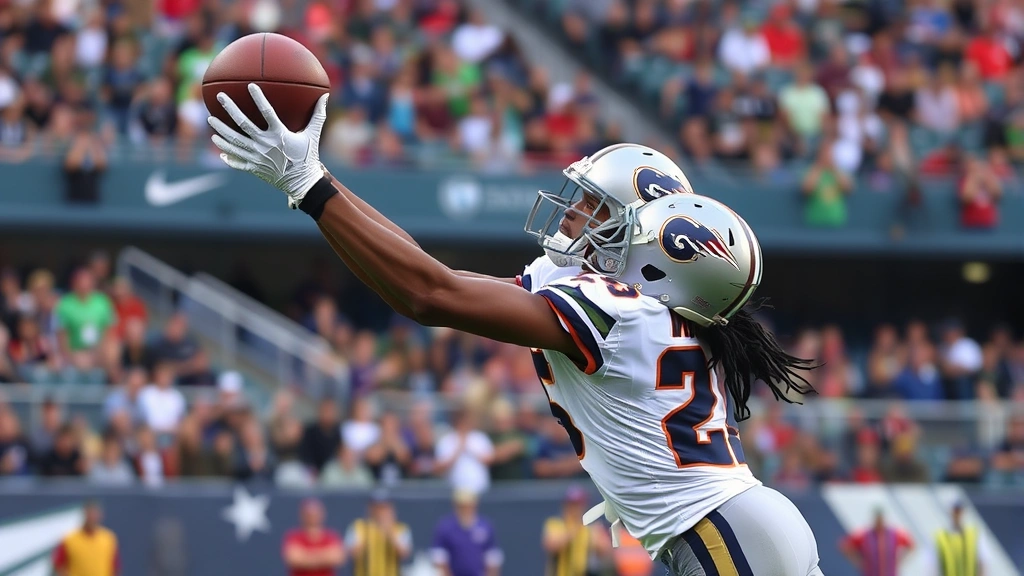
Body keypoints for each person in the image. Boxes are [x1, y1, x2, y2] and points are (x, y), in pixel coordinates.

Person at [208, 85, 821, 575]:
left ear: (655, 251)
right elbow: (433, 275)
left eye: (596, 211)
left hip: (722, 535)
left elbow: (430, 295)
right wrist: (318, 180)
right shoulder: (648, 315)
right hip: (734, 530)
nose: (576, 217)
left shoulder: (623, 315)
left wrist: (310, 188)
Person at [431, 489, 503, 576]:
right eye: (462, 505)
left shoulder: (485, 526)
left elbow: (492, 559)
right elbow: (439, 560)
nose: (466, 509)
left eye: (468, 505)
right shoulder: (445, 527)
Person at [542, 486, 612, 576]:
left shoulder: (589, 529)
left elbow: (606, 551)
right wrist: (573, 530)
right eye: (572, 504)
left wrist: (594, 536)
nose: (575, 509)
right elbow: (551, 545)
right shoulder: (556, 524)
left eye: (578, 505)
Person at [346, 490, 413, 576]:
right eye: (377, 507)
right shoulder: (358, 526)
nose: (380, 511)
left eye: (383, 507)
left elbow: (404, 553)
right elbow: (352, 554)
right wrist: (367, 534)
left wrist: (389, 532)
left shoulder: (400, 528)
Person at [52, 500, 120, 576]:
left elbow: (114, 567)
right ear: (83, 515)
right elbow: (58, 564)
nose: (91, 517)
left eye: (94, 514)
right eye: (89, 514)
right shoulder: (70, 539)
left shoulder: (108, 538)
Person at [839, 508, 913, 576]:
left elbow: (911, 545)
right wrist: (859, 561)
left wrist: (900, 560)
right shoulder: (865, 534)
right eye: (877, 519)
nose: (879, 522)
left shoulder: (894, 534)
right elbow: (845, 546)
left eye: (881, 519)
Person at [281, 498, 346, 576]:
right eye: (309, 514)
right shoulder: (293, 536)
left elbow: (338, 558)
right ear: (302, 515)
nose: (312, 517)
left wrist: (306, 555)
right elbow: (293, 559)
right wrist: (325, 555)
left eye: (315, 514)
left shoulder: (331, 536)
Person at [928, 502, 989, 576]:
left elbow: (983, 562)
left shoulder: (974, 535)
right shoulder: (940, 537)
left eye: (959, 511)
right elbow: (932, 566)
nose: (957, 514)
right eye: (955, 511)